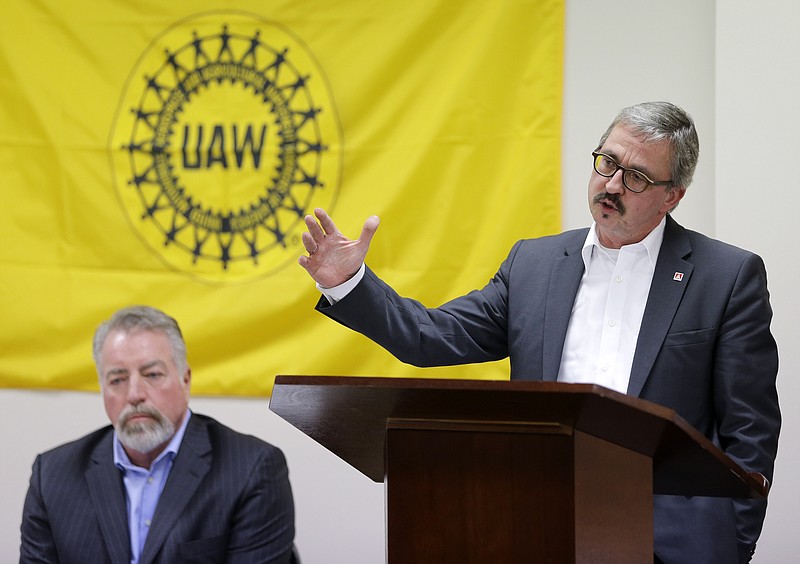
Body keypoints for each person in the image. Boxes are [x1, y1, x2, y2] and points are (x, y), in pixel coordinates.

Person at [297, 101, 780, 563]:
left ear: (672, 195)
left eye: (635, 177)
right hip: (537, 527)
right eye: (607, 162)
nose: (611, 184)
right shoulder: (534, 264)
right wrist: (348, 283)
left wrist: (735, 544)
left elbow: (750, 429)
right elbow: (428, 337)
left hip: (672, 546)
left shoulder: (725, 277)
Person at [20, 305, 297, 564]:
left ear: (185, 380)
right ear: (102, 389)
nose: (135, 395)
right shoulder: (53, 475)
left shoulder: (251, 469)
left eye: (152, 375)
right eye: (117, 379)